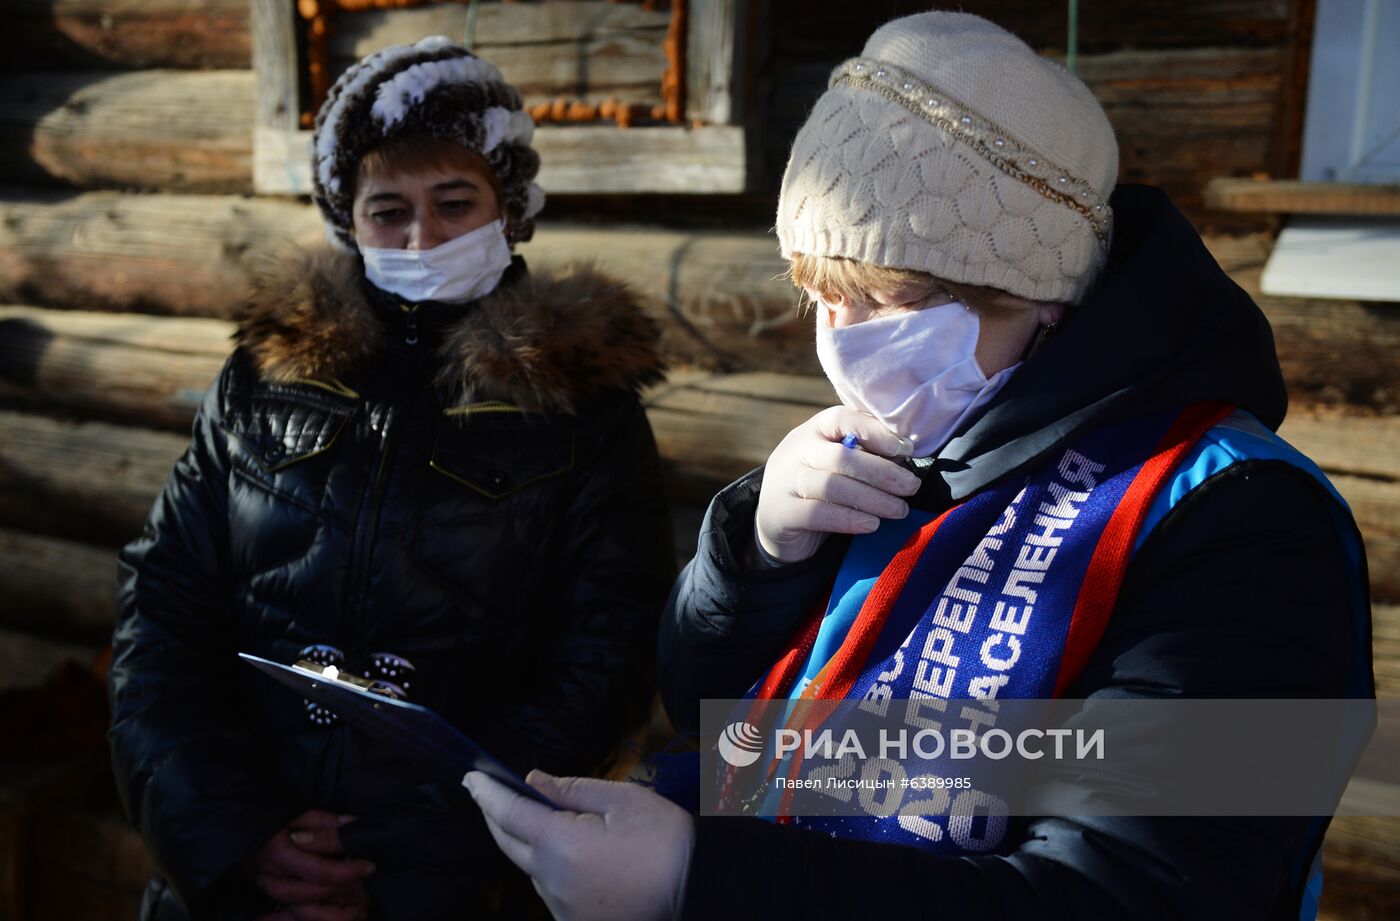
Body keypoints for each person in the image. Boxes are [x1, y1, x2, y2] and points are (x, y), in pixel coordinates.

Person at [465, 11, 1375, 921]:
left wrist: (696, 880)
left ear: (1039, 294)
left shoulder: (1244, 521)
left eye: (885, 301)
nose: (844, 342)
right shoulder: (922, 428)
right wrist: (752, 556)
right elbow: (717, 713)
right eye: (816, 294)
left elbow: (1139, 891)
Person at [107, 36, 675, 921]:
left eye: (455, 202)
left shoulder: (585, 406)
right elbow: (165, 608)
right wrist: (229, 832)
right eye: (387, 210)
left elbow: (604, 658)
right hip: (238, 875)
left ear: (507, 207)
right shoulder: (265, 374)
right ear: (348, 219)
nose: (420, 238)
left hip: (454, 883)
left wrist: (401, 857)